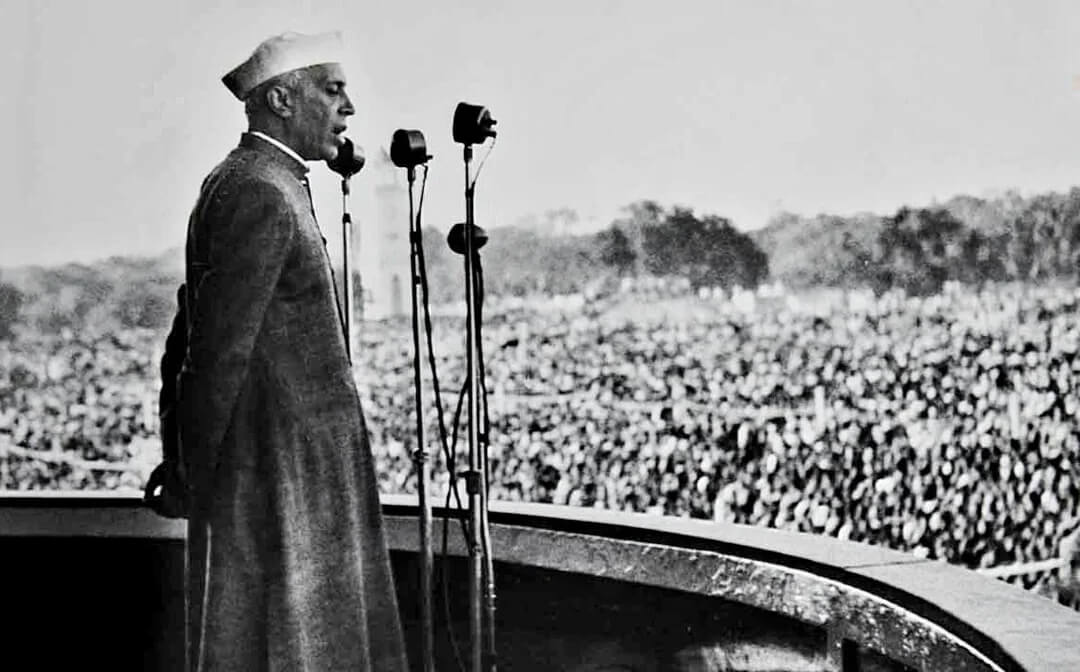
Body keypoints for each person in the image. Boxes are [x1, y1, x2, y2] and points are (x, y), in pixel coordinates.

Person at [172, 31, 408, 671]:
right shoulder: (261, 190)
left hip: (300, 467)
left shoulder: (267, 179)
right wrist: (193, 470)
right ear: (281, 98)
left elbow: (187, 328)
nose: (349, 109)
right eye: (333, 91)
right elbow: (212, 353)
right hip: (281, 473)